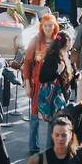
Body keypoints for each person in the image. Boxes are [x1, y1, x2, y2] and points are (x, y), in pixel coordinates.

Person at [22, 14, 60, 154]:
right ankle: (33, 147)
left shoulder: (58, 41)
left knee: (53, 117)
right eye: (45, 25)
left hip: (54, 84)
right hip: (37, 82)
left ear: (54, 26)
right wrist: (27, 83)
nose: (48, 28)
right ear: (41, 27)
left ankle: (50, 148)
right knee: (34, 117)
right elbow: (27, 63)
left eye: (50, 25)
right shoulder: (35, 40)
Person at [38, 30, 74, 121]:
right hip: (54, 100)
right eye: (71, 41)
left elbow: (67, 79)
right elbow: (42, 77)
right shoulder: (53, 57)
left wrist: (75, 78)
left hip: (62, 97)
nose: (72, 43)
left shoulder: (66, 56)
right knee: (54, 127)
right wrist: (57, 71)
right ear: (67, 43)